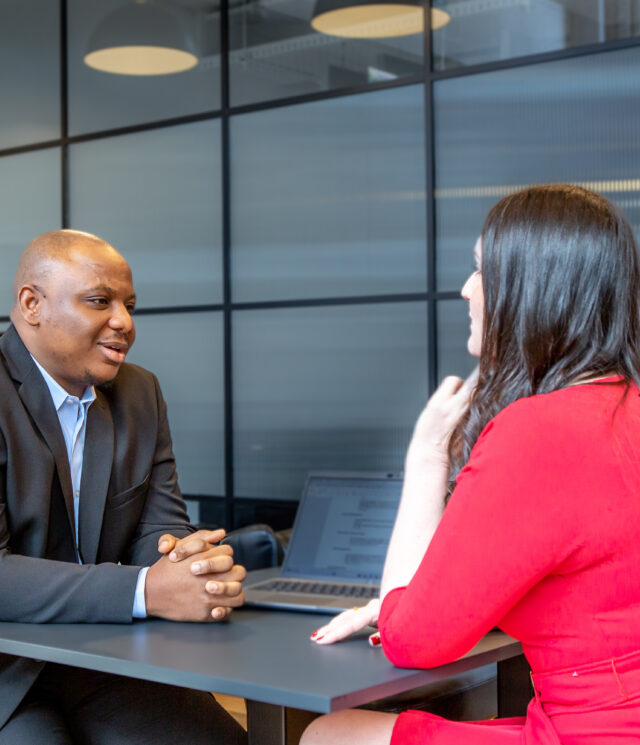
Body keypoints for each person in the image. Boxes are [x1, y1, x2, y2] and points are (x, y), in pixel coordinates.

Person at [302, 184, 640, 744]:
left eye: (482, 271)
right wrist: (417, 600)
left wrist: (427, 453)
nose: (465, 290)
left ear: (533, 290)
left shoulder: (539, 431)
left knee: (329, 735)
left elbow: (414, 644)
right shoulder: (622, 408)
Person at [0, 229, 247, 745]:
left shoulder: (139, 392)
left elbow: (159, 527)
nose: (125, 323)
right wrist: (146, 589)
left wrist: (188, 562)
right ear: (31, 304)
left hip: (103, 655)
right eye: (99, 301)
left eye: (129, 305)